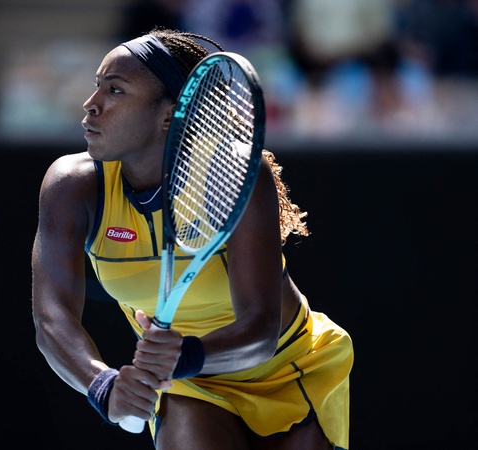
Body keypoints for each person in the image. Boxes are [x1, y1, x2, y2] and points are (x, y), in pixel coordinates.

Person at [31, 27, 353, 450]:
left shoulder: (232, 174)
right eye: (97, 86)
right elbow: (52, 318)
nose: (91, 104)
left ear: (169, 114)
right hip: (188, 381)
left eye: (116, 90)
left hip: (287, 365)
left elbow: (261, 330)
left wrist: (183, 355)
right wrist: (104, 386)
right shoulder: (71, 186)